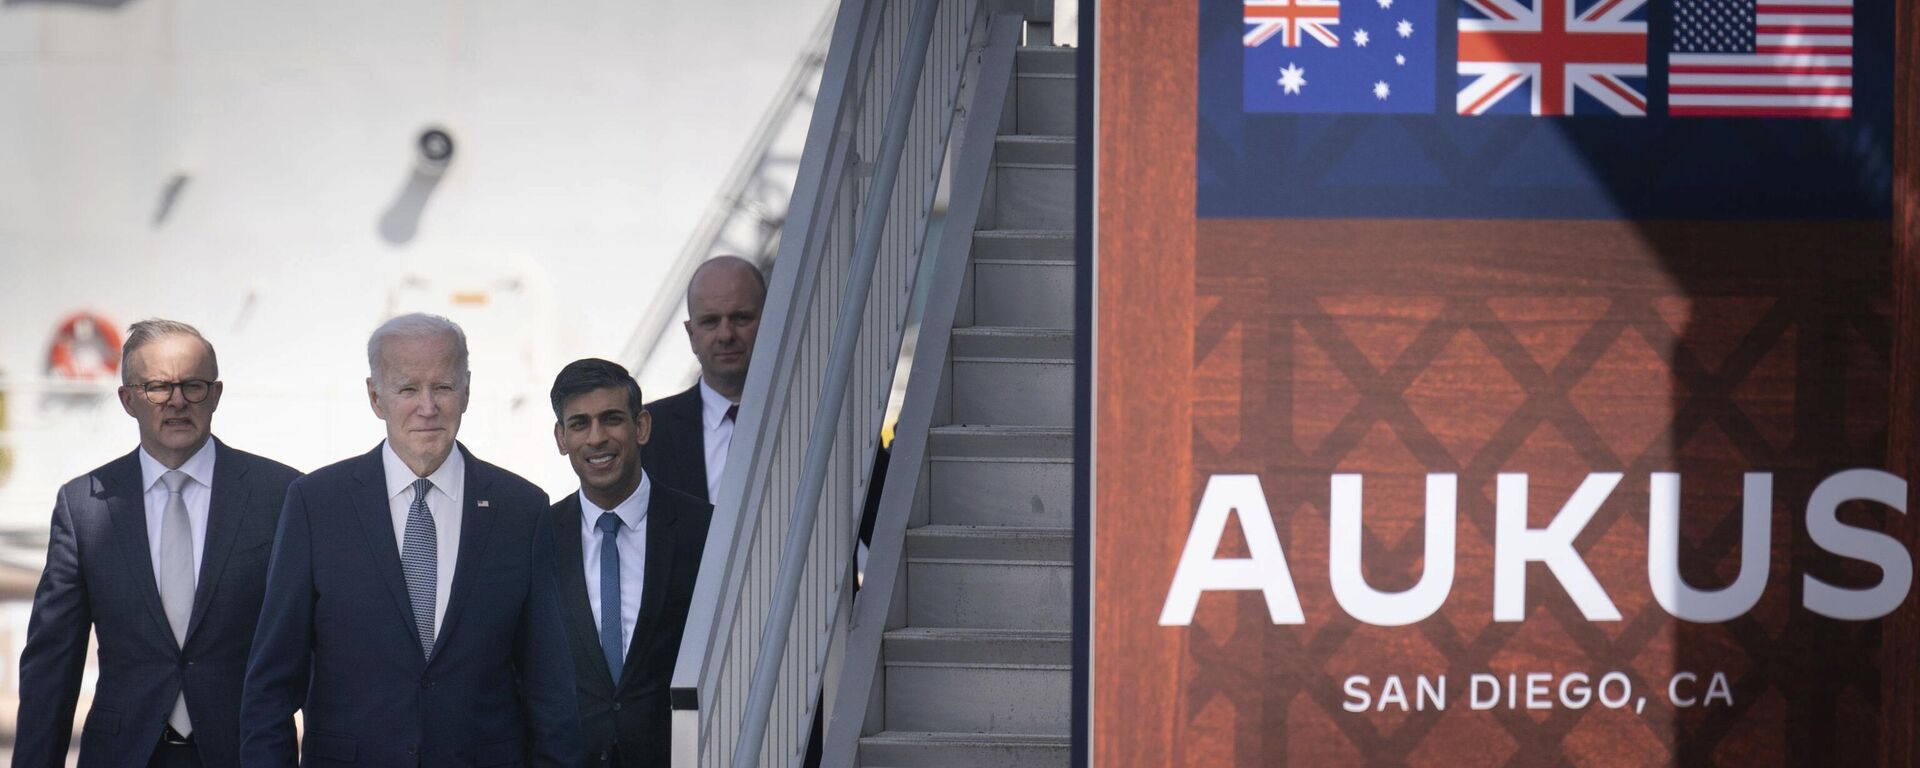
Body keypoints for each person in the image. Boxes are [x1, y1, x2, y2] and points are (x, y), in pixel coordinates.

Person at [238, 313, 581, 767]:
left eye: (442, 387)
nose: (427, 406)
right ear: (375, 397)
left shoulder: (522, 510)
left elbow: (550, 687)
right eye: (407, 389)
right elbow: (271, 686)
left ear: (466, 391)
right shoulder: (316, 504)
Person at [14, 319, 300, 768]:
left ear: (217, 394)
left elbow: (317, 645)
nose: (178, 402)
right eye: (157, 388)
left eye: (193, 386)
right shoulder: (83, 506)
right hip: (123, 753)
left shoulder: (282, 494)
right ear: (128, 400)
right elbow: (53, 664)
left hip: (246, 752)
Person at [546, 358, 712, 766]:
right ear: (561, 437)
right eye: (580, 423)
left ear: (641, 427)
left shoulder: (704, 529)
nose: (597, 438)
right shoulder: (536, 537)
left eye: (612, 419)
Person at [645, 256, 765, 503]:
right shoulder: (647, 434)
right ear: (691, 334)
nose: (725, 335)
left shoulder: (814, 416)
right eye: (711, 321)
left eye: (740, 318)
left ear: (768, 321)